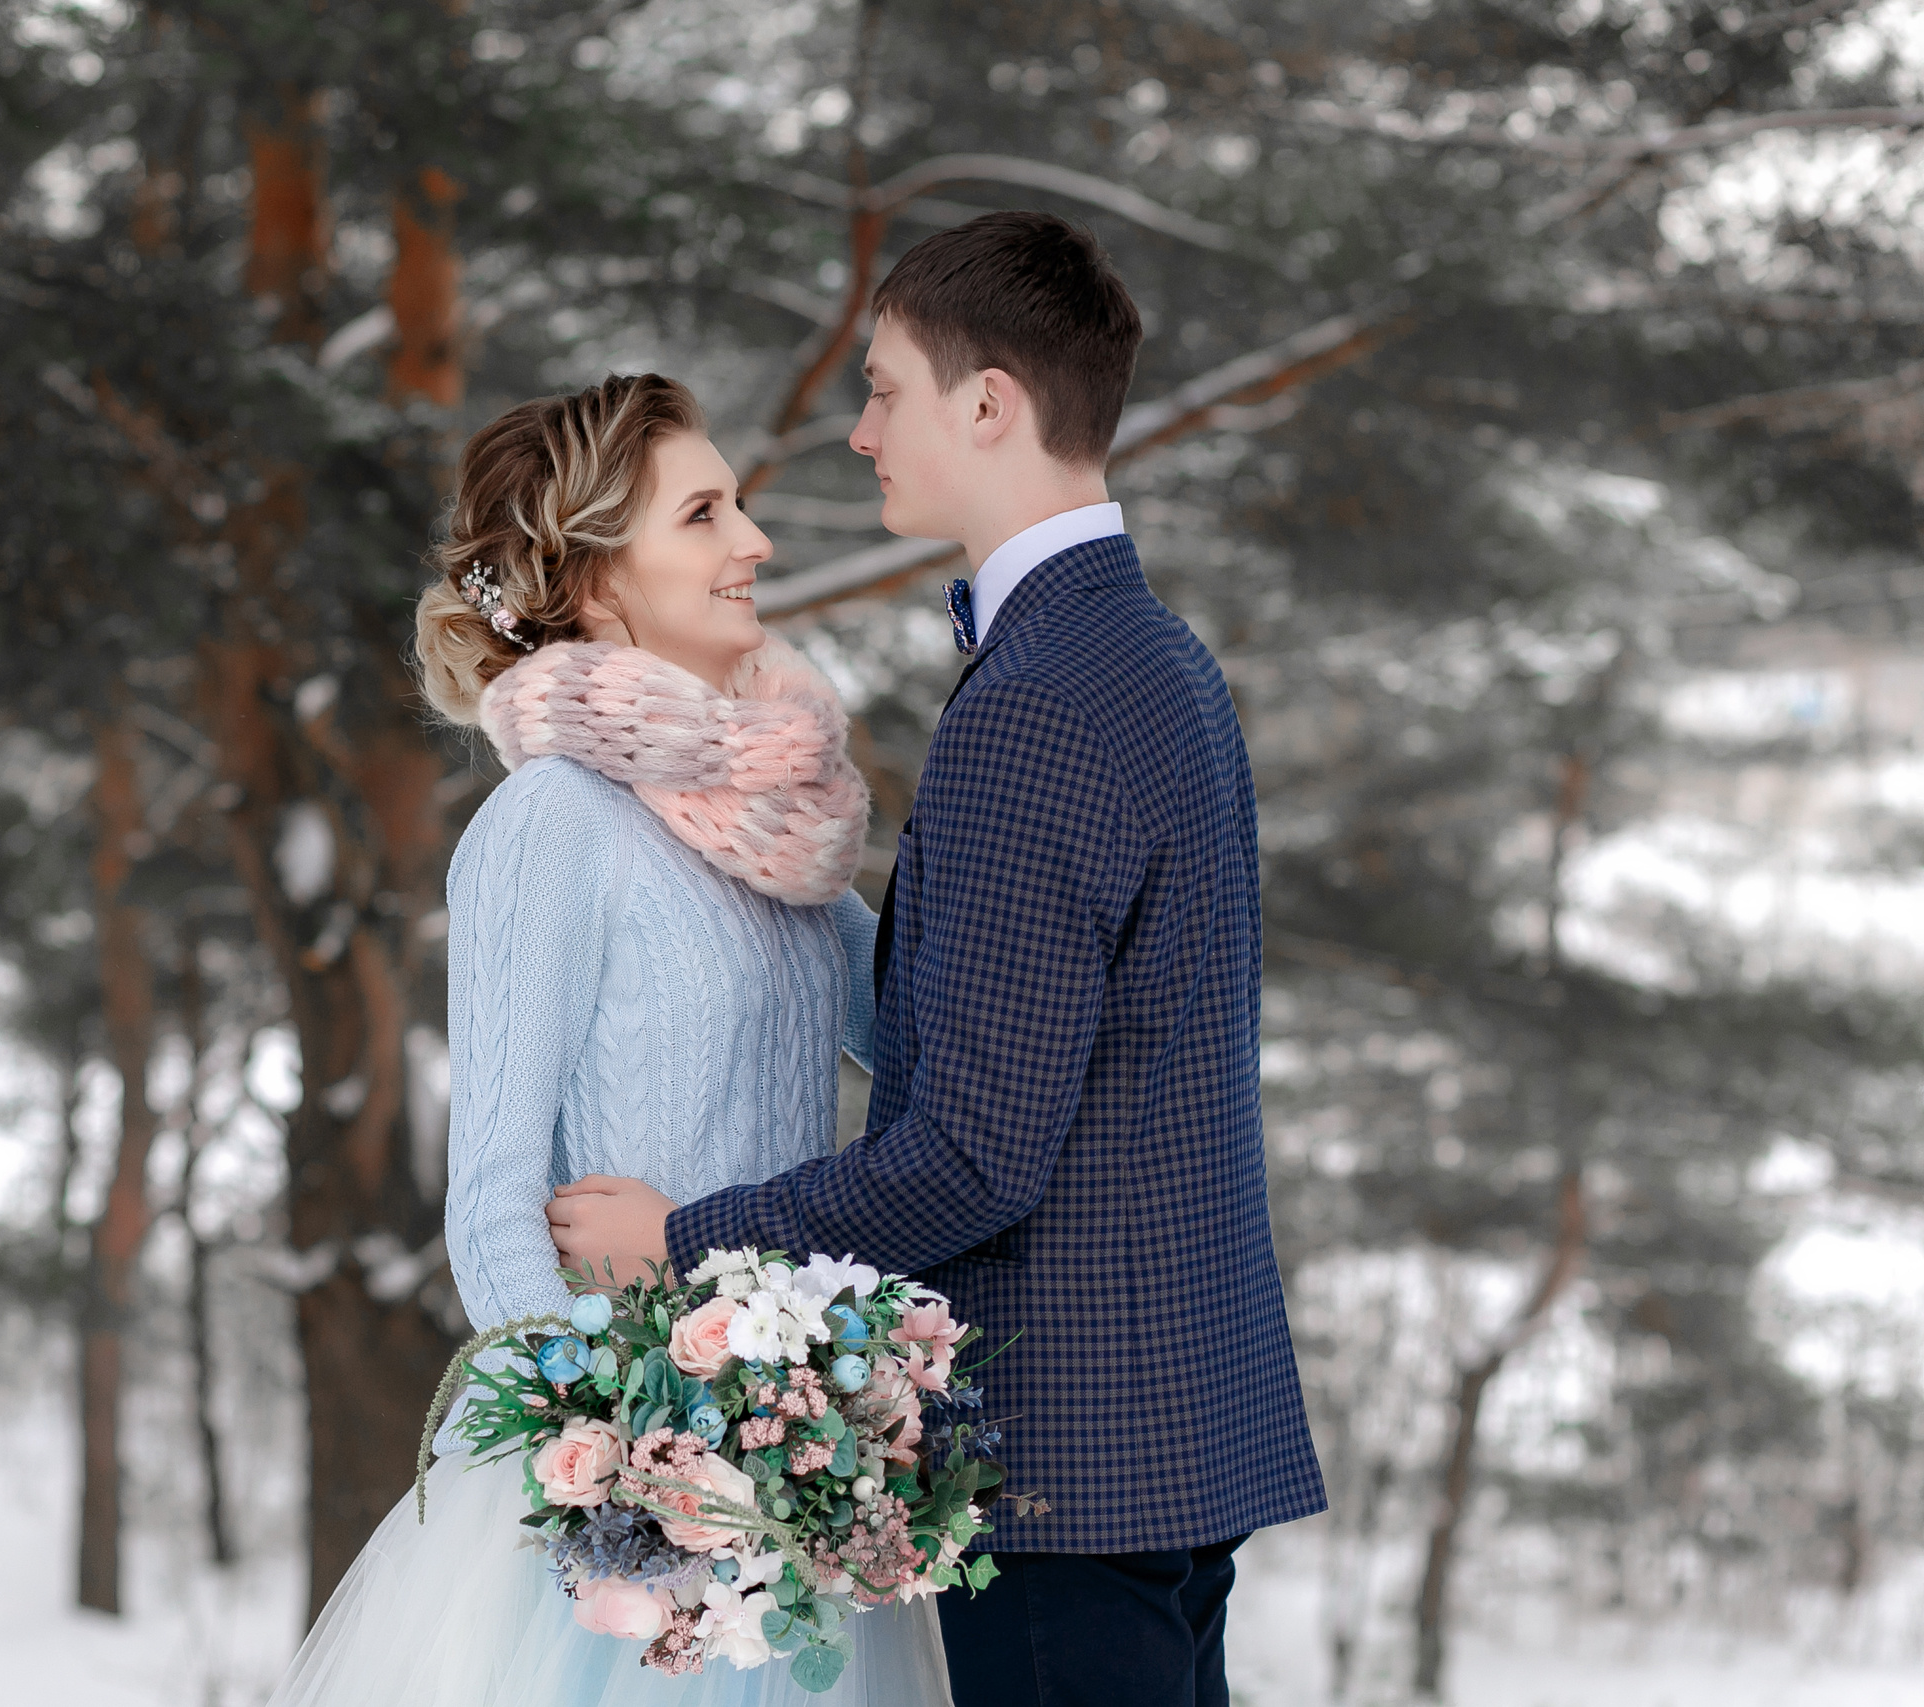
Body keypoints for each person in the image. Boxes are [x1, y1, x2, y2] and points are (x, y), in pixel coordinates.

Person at [546, 211, 1329, 1707]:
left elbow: (972, 1155)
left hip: (1066, 1462)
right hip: (1173, 1429)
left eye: (885, 389)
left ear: (988, 405)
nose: (860, 434)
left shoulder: (1038, 703)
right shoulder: (1158, 660)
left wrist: (685, 1242)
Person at [265, 373, 949, 1706]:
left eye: (739, 506)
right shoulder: (555, 822)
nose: (755, 541)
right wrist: (628, 1469)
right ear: (592, 581)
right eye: (703, 515)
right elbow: (492, 1203)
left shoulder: (774, 826)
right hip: (629, 1523)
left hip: (790, 1474)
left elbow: (919, 1041)